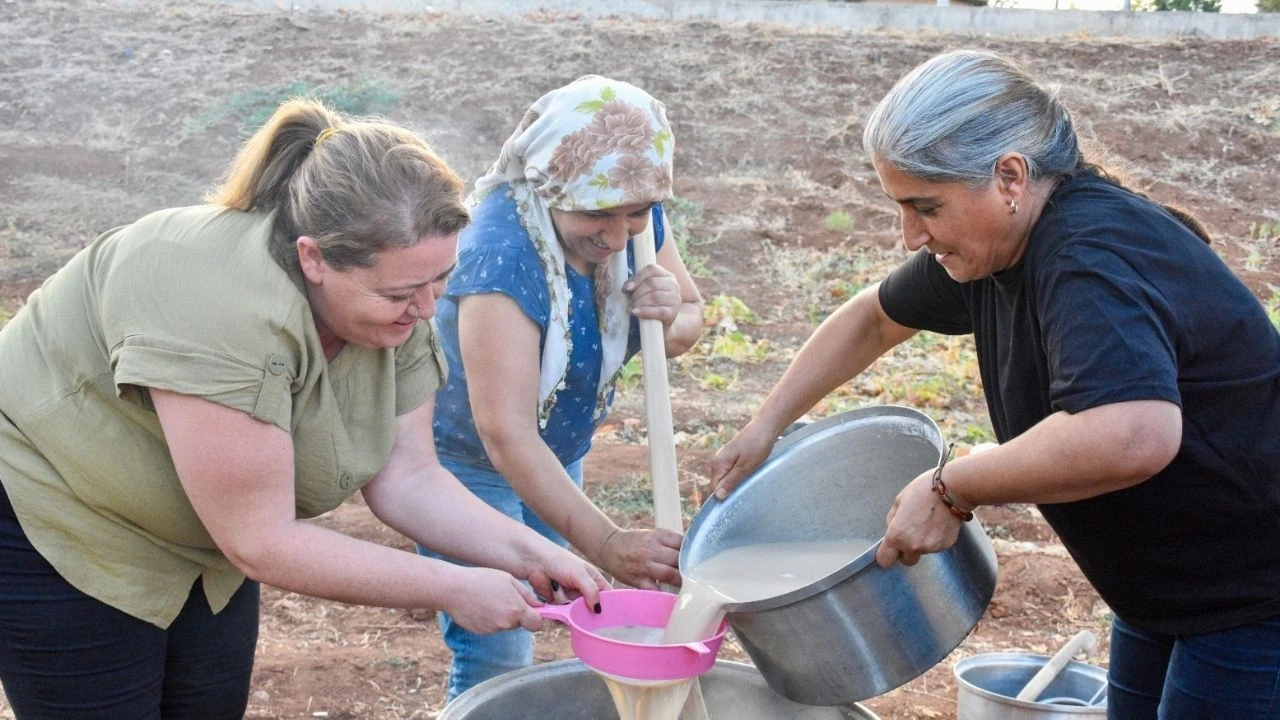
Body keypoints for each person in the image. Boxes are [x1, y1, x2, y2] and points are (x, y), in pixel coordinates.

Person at [709, 50, 1280, 719]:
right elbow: (871, 319)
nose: (908, 235)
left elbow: (1131, 433)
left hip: (1253, 594)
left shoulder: (1086, 255)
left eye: (926, 207)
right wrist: (766, 423)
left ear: (1010, 176)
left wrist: (953, 488)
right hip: (1169, 588)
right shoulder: (996, 250)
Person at [0, 98, 609, 719]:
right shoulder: (216, 304)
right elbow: (260, 541)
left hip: (199, 534)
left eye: (440, 280)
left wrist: (540, 555)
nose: (428, 310)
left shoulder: (395, 303)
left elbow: (410, 477)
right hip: (60, 515)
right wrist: (453, 587)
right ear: (313, 258)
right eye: (401, 292)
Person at [417, 75, 705, 700]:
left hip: (559, 448)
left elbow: (687, 321)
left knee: (545, 600)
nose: (616, 235)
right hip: (467, 464)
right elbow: (505, 433)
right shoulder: (500, 255)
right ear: (551, 185)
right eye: (596, 214)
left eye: (634, 214)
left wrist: (670, 309)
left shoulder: (635, 218)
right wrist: (606, 542)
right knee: (500, 636)